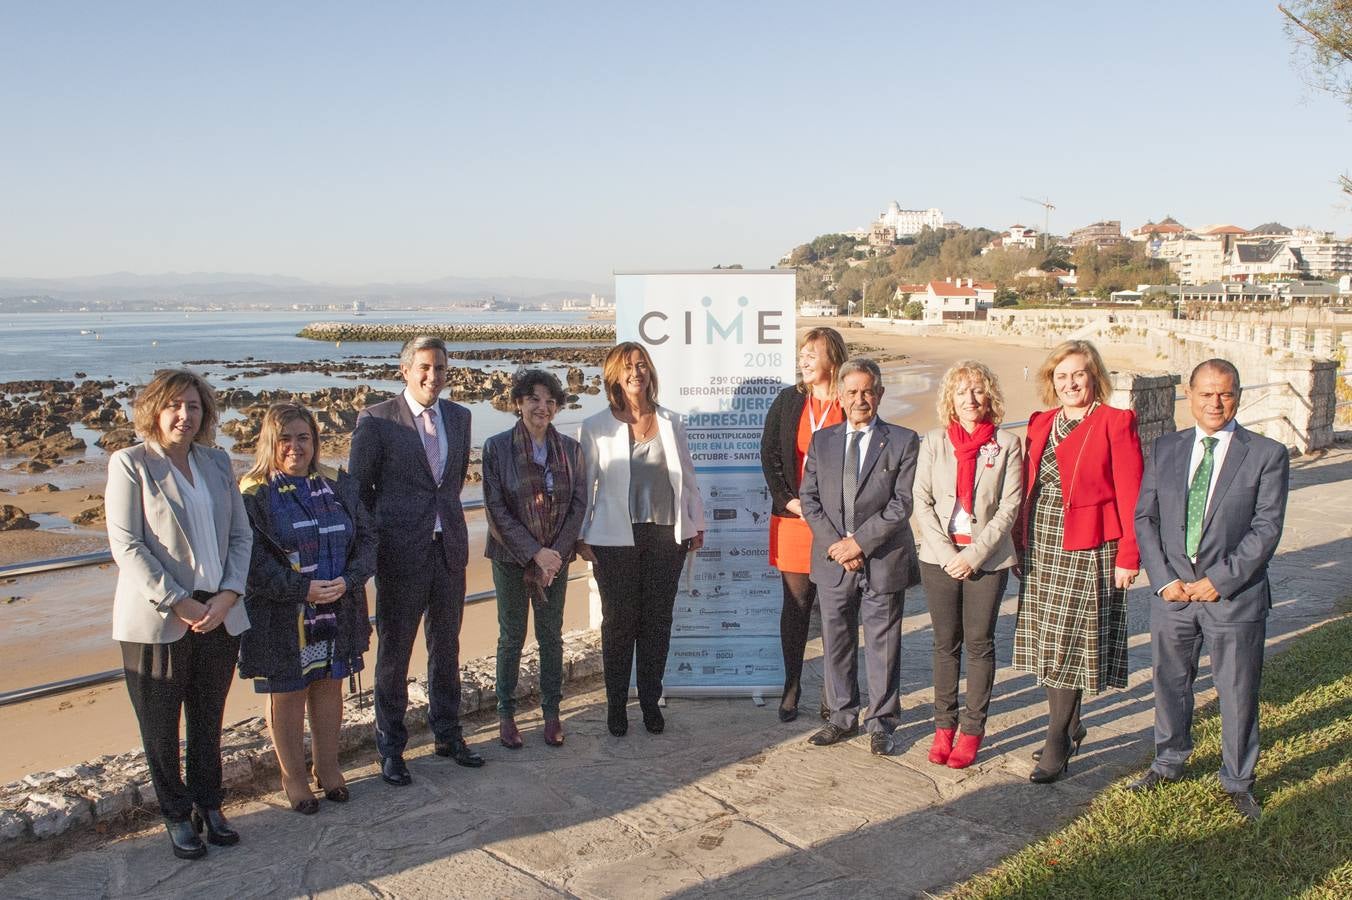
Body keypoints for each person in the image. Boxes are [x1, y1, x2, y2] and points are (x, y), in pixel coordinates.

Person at [1131, 359, 1289, 822]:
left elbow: (1266, 530)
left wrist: (1218, 582)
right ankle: (1168, 761)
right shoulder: (1165, 448)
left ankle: (1238, 780)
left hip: (1233, 597)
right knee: (1170, 683)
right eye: (1206, 393)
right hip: (1173, 595)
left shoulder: (1266, 454)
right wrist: (1163, 580)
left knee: (1237, 689)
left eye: (1225, 393)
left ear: (1237, 395)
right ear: (1189, 394)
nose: (1215, 403)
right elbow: (1146, 518)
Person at [105, 369, 252, 859]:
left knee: (209, 722)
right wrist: (180, 602)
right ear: (154, 410)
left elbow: (241, 536)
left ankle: (210, 806)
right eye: (174, 406)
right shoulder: (131, 464)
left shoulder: (215, 461)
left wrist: (228, 594)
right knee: (161, 728)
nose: (184, 415)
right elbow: (126, 546)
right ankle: (175, 814)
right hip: (160, 620)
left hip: (219, 613)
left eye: (193, 406)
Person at [348, 335, 482, 786]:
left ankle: (448, 733)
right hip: (400, 553)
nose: (433, 376)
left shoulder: (460, 418)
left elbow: (451, 482)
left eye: (441, 369)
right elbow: (358, 494)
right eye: (424, 367)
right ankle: (391, 747)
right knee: (395, 652)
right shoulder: (377, 420)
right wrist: (376, 542)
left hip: (449, 550)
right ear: (404, 370)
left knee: (447, 648)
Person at [1013, 340, 1142, 784]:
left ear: (1094, 378)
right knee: (1050, 639)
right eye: (1061, 376)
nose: (1070, 383)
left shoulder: (1114, 422)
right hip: (1042, 541)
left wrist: (1130, 555)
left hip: (1089, 545)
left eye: (1079, 375)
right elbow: (1027, 486)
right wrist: (1018, 542)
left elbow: (1132, 493)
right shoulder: (1041, 422)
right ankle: (1071, 725)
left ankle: (1056, 741)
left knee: (1069, 640)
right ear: (1052, 381)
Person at [238, 404, 376, 813]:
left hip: (337, 605)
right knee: (289, 691)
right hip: (283, 615)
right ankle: (294, 778)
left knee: (329, 686)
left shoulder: (338, 483)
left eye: (304, 437)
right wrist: (302, 589)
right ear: (269, 442)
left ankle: (328, 768)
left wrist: (348, 581)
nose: (295, 446)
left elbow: (368, 539)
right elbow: (251, 561)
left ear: (315, 441)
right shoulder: (253, 493)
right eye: (285, 438)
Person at [576, 342, 706, 737]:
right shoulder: (596, 426)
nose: (637, 372)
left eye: (642, 365)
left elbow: (688, 478)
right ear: (615, 375)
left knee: (656, 623)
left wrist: (696, 524)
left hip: (667, 537)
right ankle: (616, 705)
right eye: (628, 366)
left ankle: (650, 701)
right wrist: (580, 535)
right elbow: (585, 487)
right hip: (614, 540)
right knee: (618, 624)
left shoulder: (671, 421)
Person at [799, 357, 920, 755]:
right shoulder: (822, 441)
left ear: (880, 394)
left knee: (883, 644)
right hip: (833, 560)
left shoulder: (903, 440)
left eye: (868, 391)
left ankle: (882, 722)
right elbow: (809, 499)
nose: (860, 399)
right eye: (852, 392)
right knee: (836, 640)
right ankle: (841, 716)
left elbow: (902, 504)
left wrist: (859, 543)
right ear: (840, 396)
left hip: (883, 558)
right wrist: (839, 545)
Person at [912, 361, 1023, 769]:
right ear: (950, 400)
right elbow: (920, 501)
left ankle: (972, 731)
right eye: (962, 392)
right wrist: (947, 555)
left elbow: (1010, 506)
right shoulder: (934, 441)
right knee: (945, 645)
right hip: (938, 558)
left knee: (979, 644)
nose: (970, 399)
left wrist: (973, 555)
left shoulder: (1008, 445)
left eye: (977, 391)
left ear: (989, 396)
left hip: (987, 559)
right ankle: (944, 727)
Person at [482, 369, 587, 749]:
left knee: (551, 637)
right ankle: (506, 715)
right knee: (511, 637)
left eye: (549, 401)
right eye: (534, 399)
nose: (542, 407)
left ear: (557, 407)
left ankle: (551, 712)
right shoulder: (496, 447)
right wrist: (534, 552)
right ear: (518, 403)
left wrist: (555, 554)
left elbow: (578, 505)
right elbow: (495, 509)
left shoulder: (571, 450)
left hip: (556, 560)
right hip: (512, 559)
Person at [760, 326, 848, 723]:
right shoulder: (788, 401)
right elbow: (770, 455)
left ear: (833, 358)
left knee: (835, 610)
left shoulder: (850, 401)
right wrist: (789, 501)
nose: (804, 360)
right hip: (795, 520)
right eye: (801, 354)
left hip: (837, 526)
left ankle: (835, 693)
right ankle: (791, 687)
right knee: (795, 609)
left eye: (812, 354)